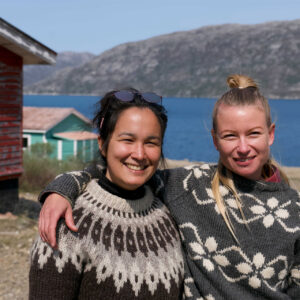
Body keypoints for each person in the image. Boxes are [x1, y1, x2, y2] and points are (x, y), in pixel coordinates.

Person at [37, 75, 300, 299]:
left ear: (271, 134)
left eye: (253, 133)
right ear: (215, 140)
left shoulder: (294, 209)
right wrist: (63, 188)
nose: (243, 147)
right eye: (230, 136)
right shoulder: (190, 187)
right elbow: (118, 175)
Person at [29, 89, 185, 299]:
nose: (139, 154)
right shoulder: (68, 222)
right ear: (102, 144)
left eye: (151, 143)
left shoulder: (168, 213)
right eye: (127, 140)